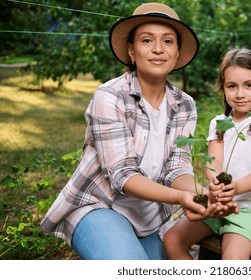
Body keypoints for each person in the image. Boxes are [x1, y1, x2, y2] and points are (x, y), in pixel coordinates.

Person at [40, 2, 236, 260]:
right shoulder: (110, 97)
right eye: (147, 40)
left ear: (177, 53)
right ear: (132, 51)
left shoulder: (184, 105)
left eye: (168, 41)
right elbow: (122, 175)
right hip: (99, 206)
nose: (158, 49)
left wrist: (202, 194)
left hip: (148, 217)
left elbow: (176, 168)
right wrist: (180, 197)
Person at [164, 47, 251, 260]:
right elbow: (214, 162)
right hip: (217, 203)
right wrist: (214, 181)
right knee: (172, 239)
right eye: (232, 86)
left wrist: (235, 187)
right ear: (223, 88)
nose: (239, 94)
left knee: (232, 261)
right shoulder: (219, 123)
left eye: (249, 85)